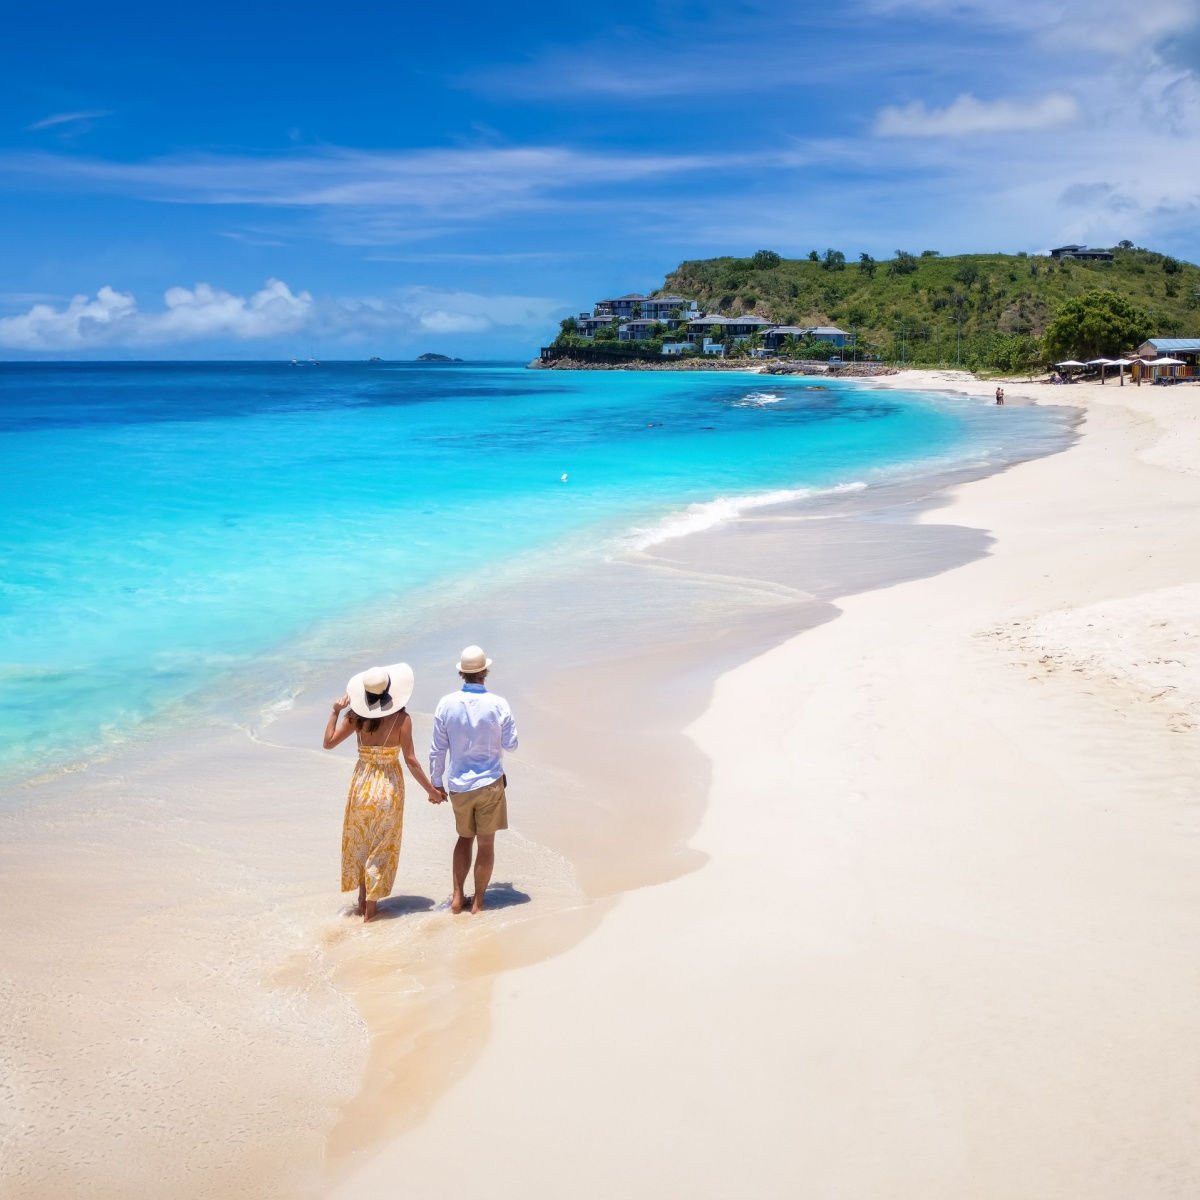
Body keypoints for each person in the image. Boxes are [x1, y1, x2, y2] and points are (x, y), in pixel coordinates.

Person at [323, 662, 441, 922]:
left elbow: (328, 743)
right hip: (389, 787)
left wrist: (334, 712)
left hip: (361, 785)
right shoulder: (402, 719)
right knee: (381, 849)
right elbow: (411, 760)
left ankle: (362, 903)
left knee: (363, 844)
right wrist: (431, 790)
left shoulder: (354, 717)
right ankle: (371, 914)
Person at [429, 645, 519, 914]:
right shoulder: (498, 704)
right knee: (486, 843)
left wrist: (436, 782)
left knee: (463, 838)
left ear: (462, 674)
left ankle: (457, 897)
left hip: (458, 784)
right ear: (485, 672)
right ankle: (478, 902)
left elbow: (437, 748)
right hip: (490, 782)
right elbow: (512, 744)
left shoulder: (446, 703)